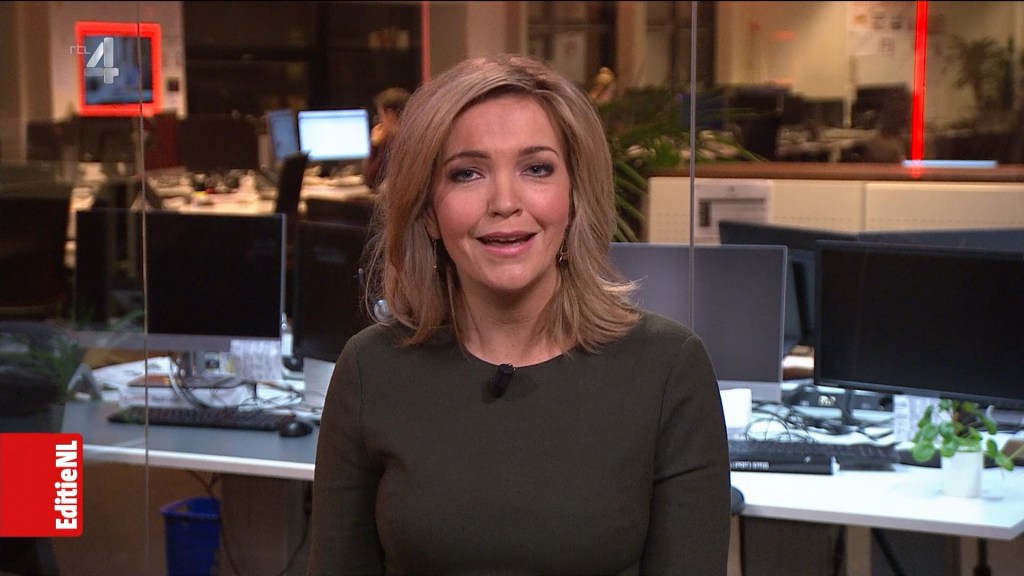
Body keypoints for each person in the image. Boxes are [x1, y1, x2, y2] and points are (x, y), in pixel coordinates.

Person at [307, 54, 731, 575]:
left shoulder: (667, 369)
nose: (505, 202)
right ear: (428, 212)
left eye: (536, 169)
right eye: (467, 173)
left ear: (574, 196)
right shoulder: (370, 370)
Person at [362, 86, 411, 190]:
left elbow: (371, 181)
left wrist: (375, 145)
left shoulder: (398, 143)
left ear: (390, 114)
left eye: (380, 115)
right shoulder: (415, 135)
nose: (380, 121)